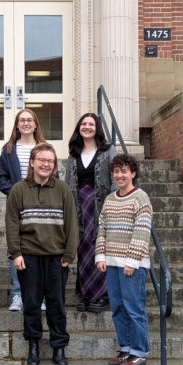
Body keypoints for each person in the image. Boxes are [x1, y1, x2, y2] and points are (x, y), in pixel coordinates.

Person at [5, 143, 78, 365]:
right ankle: (33, 346)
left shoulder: (63, 189)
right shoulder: (19, 189)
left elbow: (72, 224)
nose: (46, 164)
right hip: (29, 257)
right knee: (31, 304)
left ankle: (59, 348)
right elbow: (11, 224)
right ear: (32, 162)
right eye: (42, 160)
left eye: (50, 161)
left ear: (55, 165)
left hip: (57, 258)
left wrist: (69, 253)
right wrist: (15, 253)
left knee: (56, 304)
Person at [95, 153, 152, 365]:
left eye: (124, 171)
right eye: (116, 171)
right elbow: (103, 228)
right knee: (118, 307)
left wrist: (132, 261)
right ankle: (126, 348)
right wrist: (101, 256)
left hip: (132, 265)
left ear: (133, 173)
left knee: (134, 308)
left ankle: (139, 351)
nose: (120, 175)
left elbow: (142, 231)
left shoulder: (141, 198)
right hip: (112, 263)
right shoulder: (110, 199)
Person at [65, 113, 116, 313]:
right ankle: (86, 294)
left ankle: (101, 295)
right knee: (83, 248)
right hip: (79, 208)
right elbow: (69, 182)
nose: (87, 127)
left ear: (97, 128)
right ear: (78, 127)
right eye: (83, 124)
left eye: (91, 124)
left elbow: (114, 178)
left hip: (100, 206)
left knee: (99, 247)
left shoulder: (108, 150)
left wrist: (112, 203)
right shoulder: (73, 154)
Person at [0, 108, 47, 312]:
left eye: (29, 120)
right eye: (22, 120)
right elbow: (1, 178)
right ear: (17, 125)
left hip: (42, 205)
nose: (26, 123)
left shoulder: (44, 148)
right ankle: (18, 294)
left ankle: (39, 296)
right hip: (17, 205)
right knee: (15, 249)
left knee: (41, 249)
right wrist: (16, 192)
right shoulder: (9, 149)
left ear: (35, 124)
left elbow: (54, 175)